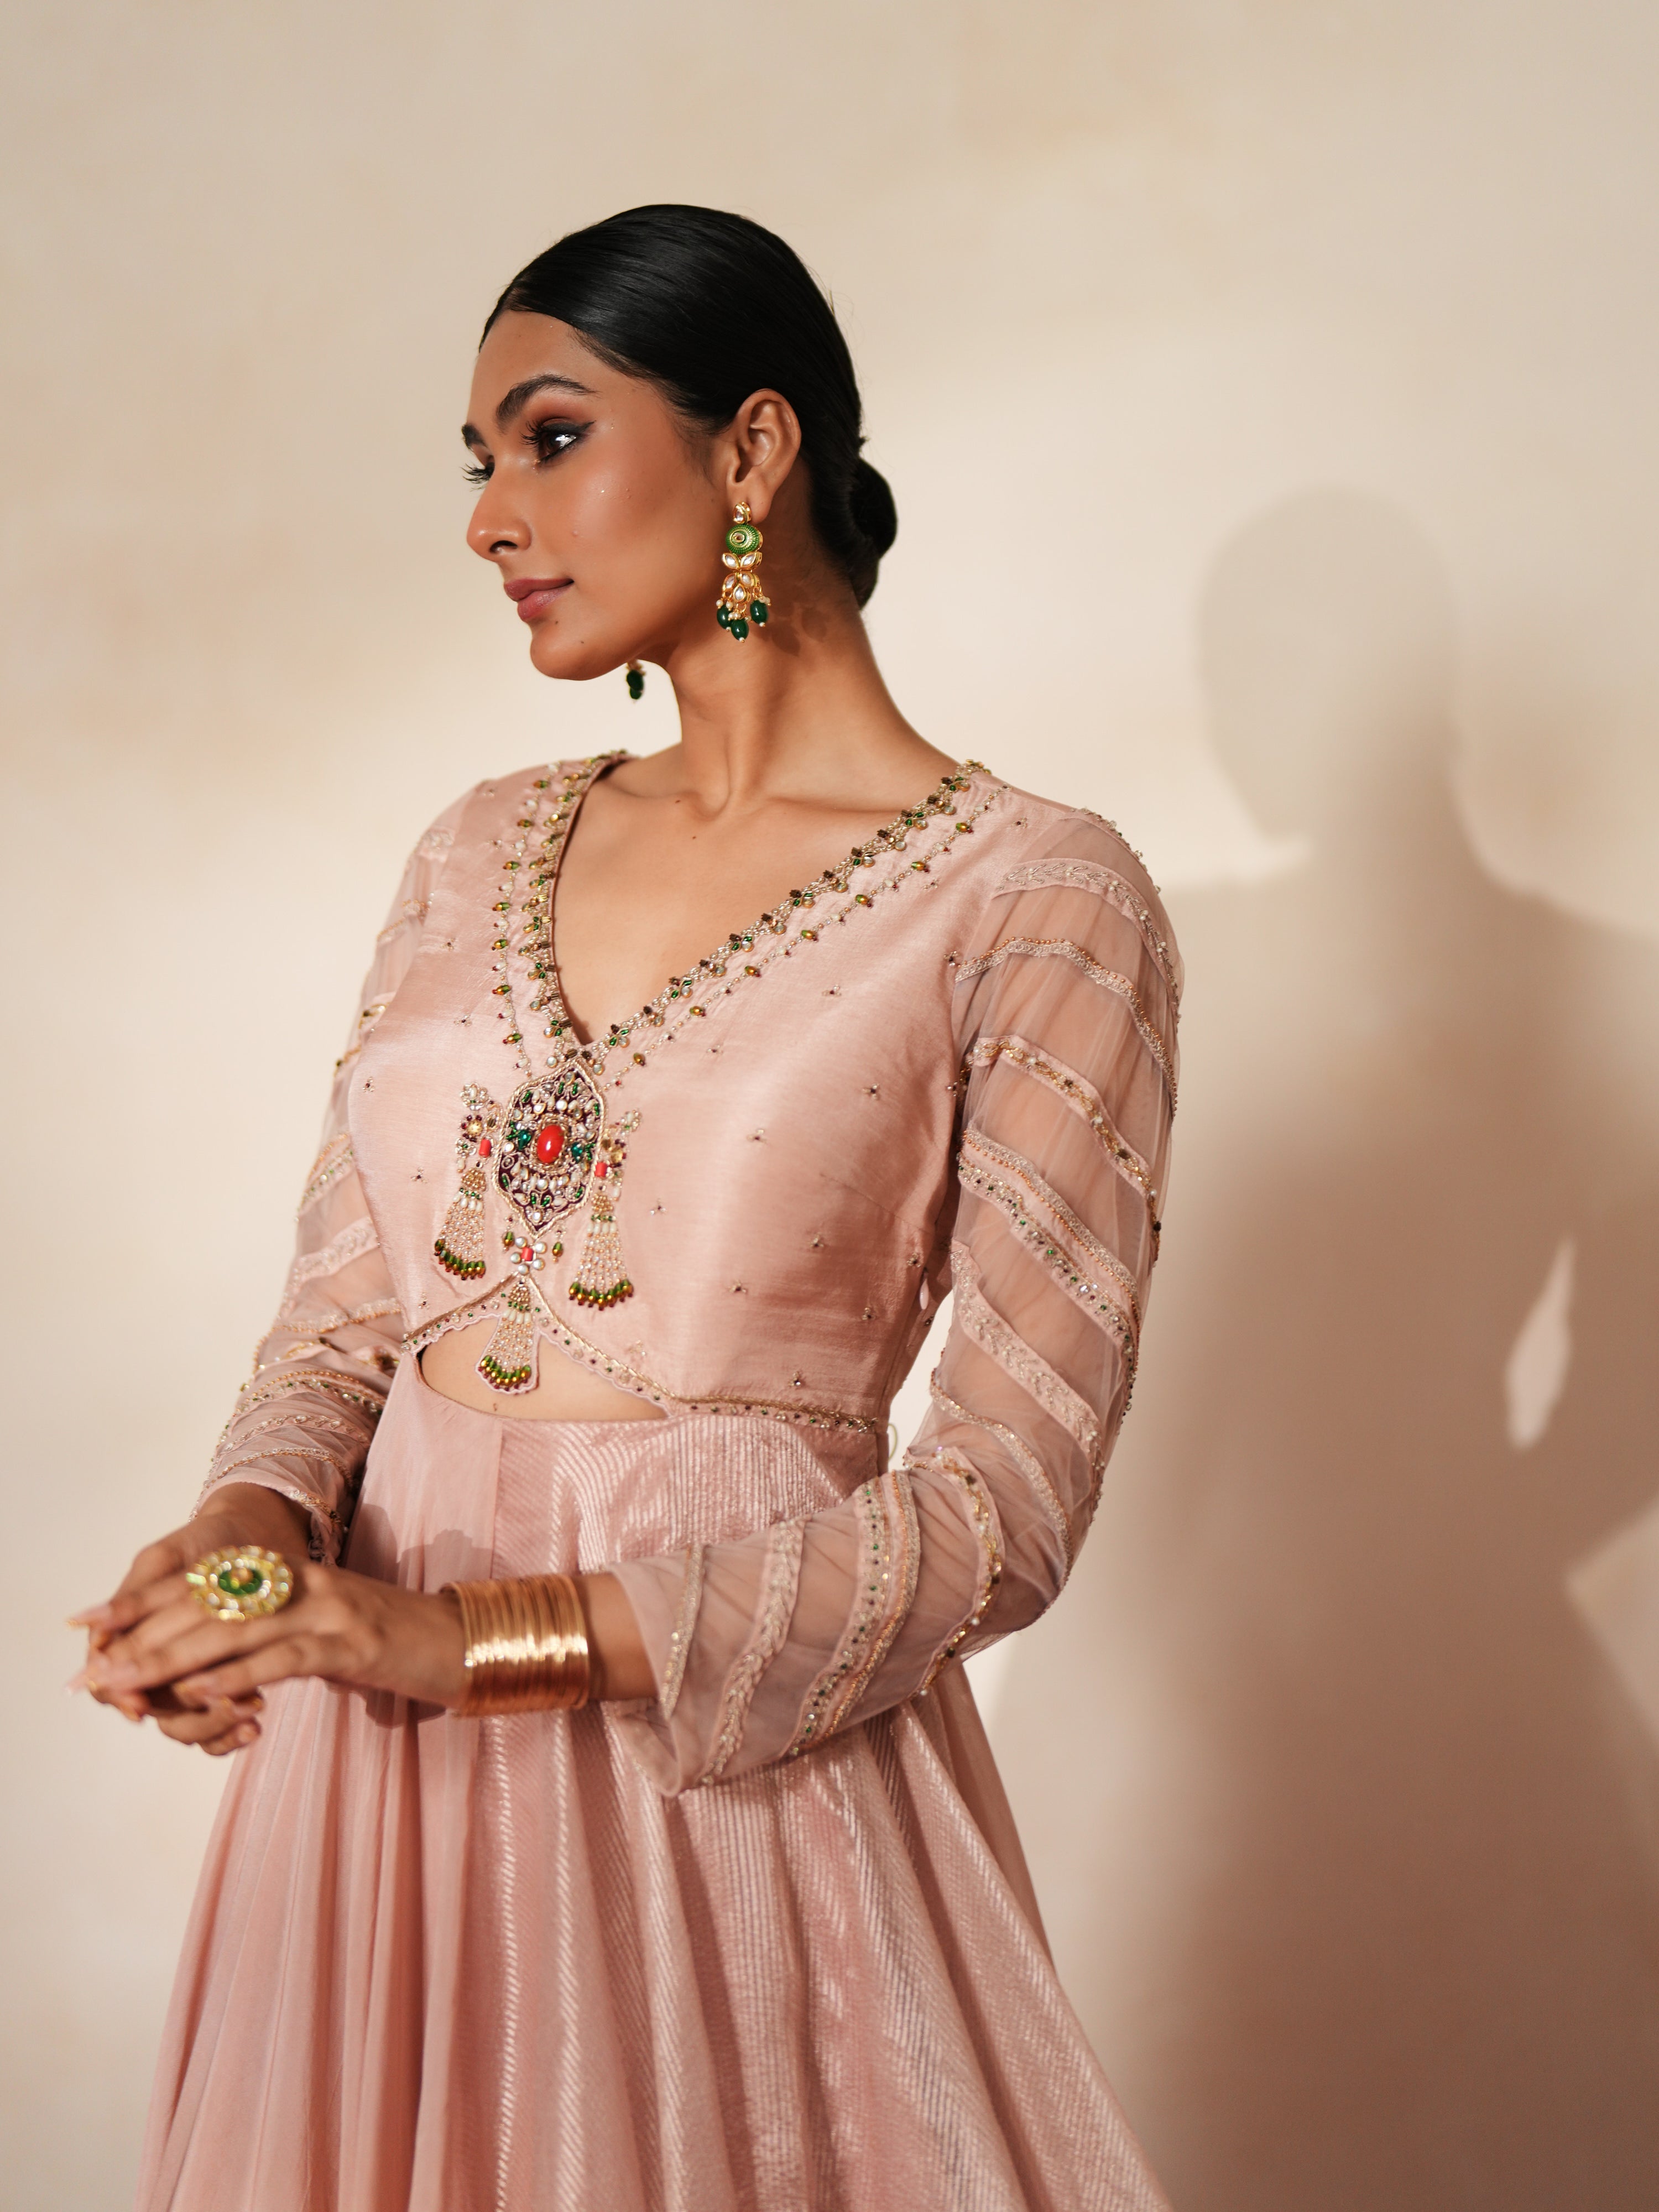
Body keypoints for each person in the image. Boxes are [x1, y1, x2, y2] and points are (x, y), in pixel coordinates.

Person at [76, 205, 1178, 2212]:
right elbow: (340, 1331)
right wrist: (240, 1563)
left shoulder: (1037, 894)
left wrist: (469, 1641)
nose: (492, 516)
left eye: (548, 437)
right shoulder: (476, 841)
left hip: (728, 1770)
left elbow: (1001, 1505)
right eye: (479, 463)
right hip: (376, 1783)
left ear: (753, 452)